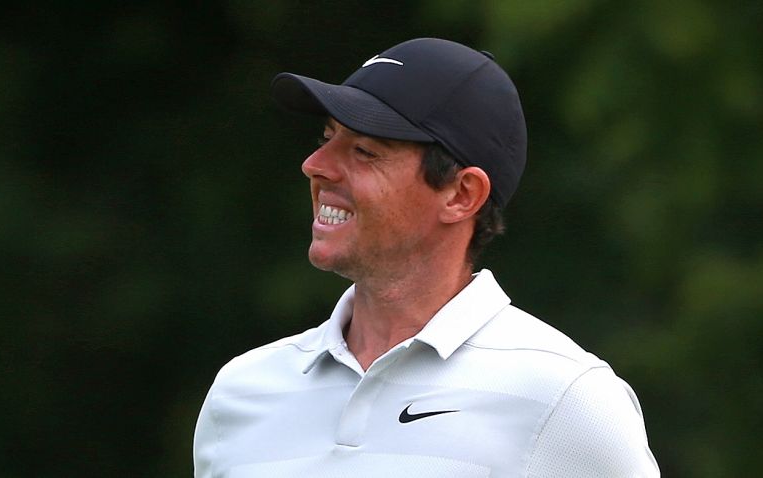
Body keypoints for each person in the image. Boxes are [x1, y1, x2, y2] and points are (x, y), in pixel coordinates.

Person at [194, 38, 659, 477]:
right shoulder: (241, 393)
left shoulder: (566, 398)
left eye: (364, 150)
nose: (315, 165)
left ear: (461, 194)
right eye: (326, 137)